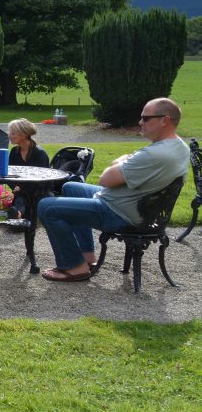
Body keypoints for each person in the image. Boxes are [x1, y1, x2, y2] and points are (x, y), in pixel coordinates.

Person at [38, 98, 189, 283]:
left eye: (145, 118)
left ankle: (73, 266)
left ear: (165, 120)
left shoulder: (155, 154)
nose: (140, 122)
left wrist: (123, 160)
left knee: (46, 207)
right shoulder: (179, 146)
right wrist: (127, 160)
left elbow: (106, 179)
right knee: (71, 187)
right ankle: (87, 257)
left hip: (120, 212)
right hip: (133, 205)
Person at [6, 118, 49, 219]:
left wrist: (21, 187)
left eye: (13, 133)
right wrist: (14, 187)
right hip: (21, 191)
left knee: (29, 198)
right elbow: (10, 173)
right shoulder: (14, 151)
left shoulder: (39, 154)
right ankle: (17, 214)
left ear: (23, 135)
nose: (9, 135)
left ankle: (18, 214)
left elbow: (43, 181)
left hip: (40, 190)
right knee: (20, 198)